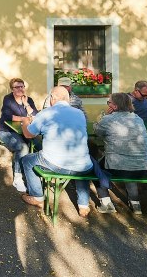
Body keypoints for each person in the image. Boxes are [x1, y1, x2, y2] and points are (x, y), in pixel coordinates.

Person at [20, 86, 93, 217]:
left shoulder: (47, 113)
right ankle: (83, 206)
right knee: (82, 165)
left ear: (53, 98)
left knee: (27, 160)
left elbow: (29, 134)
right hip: (83, 164)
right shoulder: (79, 113)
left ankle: (37, 196)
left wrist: (25, 122)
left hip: (56, 163)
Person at [93, 93, 147, 215]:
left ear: (114, 107)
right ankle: (135, 203)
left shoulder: (108, 119)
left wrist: (104, 116)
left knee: (95, 168)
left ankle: (106, 203)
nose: (108, 104)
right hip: (146, 167)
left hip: (119, 167)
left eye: (109, 102)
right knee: (128, 163)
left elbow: (97, 131)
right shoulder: (138, 119)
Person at [0, 78, 39, 192]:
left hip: (23, 131)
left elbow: (35, 114)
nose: (20, 89)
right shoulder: (8, 99)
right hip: (6, 132)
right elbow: (7, 116)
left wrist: (26, 105)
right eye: (17, 87)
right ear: (12, 89)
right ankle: (18, 178)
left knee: (39, 144)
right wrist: (25, 118)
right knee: (23, 147)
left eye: (22, 86)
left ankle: (37, 173)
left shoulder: (28, 99)